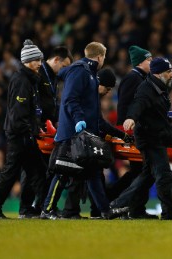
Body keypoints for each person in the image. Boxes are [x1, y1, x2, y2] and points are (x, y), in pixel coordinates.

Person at [40, 42, 122, 220]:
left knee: (92, 173)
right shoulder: (81, 71)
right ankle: (47, 210)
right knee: (63, 171)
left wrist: (120, 134)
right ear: (100, 57)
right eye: (104, 57)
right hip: (73, 134)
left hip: (84, 136)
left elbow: (96, 116)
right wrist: (79, 120)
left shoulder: (88, 73)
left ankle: (105, 211)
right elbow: (70, 99)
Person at [0, 40, 47, 219]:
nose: (40, 63)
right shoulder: (22, 80)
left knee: (37, 171)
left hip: (24, 133)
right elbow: (20, 113)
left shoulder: (29, 79)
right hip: (20, 135)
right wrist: (29, 131)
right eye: (37, 59)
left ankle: (33, 210)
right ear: (28, 60)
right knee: (13, 173)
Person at [122, 57, 172, 220]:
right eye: (168, 71)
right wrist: (131, 118)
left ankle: (125, 208)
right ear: (157, 73)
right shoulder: (147, 89)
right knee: (163, 175)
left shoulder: (160, 89)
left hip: (157, 137)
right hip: (150, 139)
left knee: (147, 177)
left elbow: (164, 115)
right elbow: (138, 104)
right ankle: (170, 211)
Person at [20, 46, 74, 218]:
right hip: (35, 128)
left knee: (44, 169)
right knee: (31, 170)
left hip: (47, 128)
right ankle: (25, 208)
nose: (64, 70)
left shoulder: (53, 77)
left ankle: (40, 206)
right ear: (56, 59)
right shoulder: (39, 73)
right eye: (64, 66)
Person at [110, 45, 157, 219]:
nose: (151, 62)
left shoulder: (140, 78)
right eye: (149, 60)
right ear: (140, 62)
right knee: (141, 172)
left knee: (140, 172)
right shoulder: (132, 79)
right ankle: (120, 203)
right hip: (132, 132)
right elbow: (124, 108)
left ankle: (133, 208)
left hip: (136, 131)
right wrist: (127, 130)